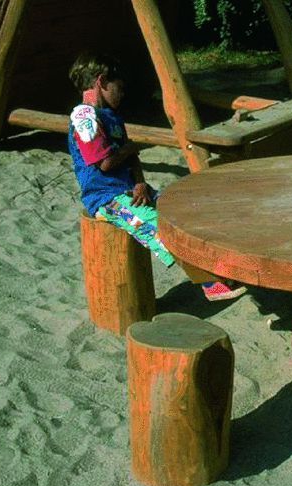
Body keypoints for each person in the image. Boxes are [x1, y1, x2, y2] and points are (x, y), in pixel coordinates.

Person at [67, 52, 245, 301]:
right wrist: (131, 148)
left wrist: (140, 182)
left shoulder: (111, 116)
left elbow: (131, 158)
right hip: (105, 197)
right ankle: (208, 283)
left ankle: (219, 269)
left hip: (129, 189)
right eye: (119, 87)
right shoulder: (84, 117)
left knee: (179, 213)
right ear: (102, 81)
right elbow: (105, 163)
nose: (122, 93)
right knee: (160, 227)